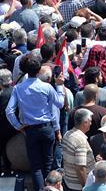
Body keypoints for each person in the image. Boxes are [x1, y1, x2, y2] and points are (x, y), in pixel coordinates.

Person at [7, 54, 66, 191]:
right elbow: (60, 103)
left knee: (35, 165)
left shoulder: (18, 88)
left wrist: (18, 126)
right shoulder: (46, 87)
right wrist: (59, 87)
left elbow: (9, 111)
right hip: (47, 128)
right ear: (39, 70)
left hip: (30, 129)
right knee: (48, 163)